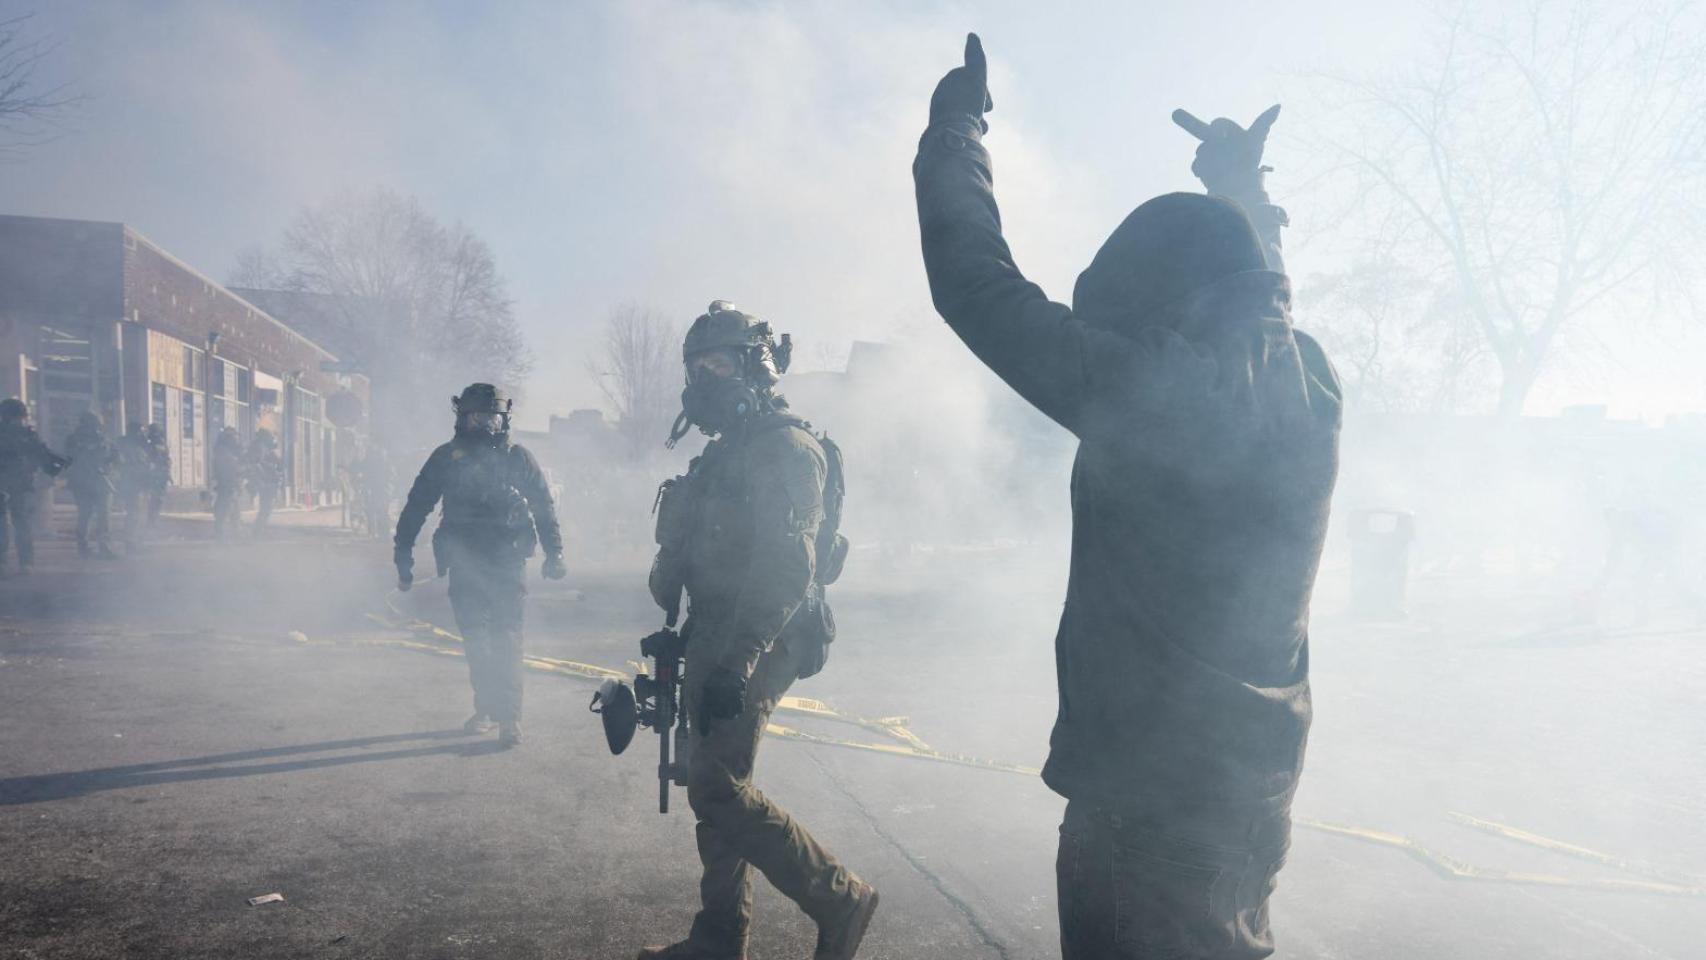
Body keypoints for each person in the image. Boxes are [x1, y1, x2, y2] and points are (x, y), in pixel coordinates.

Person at [914, 36, 1342, 960]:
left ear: (1159, 310)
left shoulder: (1162, 394)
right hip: (1252, 791)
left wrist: (956, 132)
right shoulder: (1305, 383)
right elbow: (1260, 291)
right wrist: (1241, 190)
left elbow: (976, 286)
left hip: (1148, 804)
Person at [637, 302, 875, 960]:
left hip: (770, 632)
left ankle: (840, 897)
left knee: (717, 785)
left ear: (756, 368)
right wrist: (681, 626)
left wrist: (737, 663)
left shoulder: (788, 450)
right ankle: (719, 938)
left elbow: (785, 569)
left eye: (717, 364)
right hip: (717, 628)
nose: (703, 380)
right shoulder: (722, 456)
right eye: (696, 368)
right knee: (709, 778)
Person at [393, 383, 566, 747]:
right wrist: (403, 550)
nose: (485, 425)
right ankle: (487, 708)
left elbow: (542, 506)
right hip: (464, 560)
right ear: (463, 418)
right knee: (475, 638)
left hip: (507, 558)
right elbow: (417, 504)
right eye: (477, 417)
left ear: (504, 419)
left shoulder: (518, 458)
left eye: (492, 417)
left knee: (506, 636)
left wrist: (555, 552)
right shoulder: (446, 458)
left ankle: (509, 717)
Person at [0, 398, 67, 575]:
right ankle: (23, 562)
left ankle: (11, 562)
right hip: (17, 484)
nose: (22, 420)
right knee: (19, 523)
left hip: (17, 483)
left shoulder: (25, 435)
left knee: (12, 524)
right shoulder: (26, 435)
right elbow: (42, 455)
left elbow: (42, 454)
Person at [64, 410, 119, 559]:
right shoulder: (74, 440)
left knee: (102, 516)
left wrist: (110, 467)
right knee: (86, 516)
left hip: (100, 482)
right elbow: (70, 458)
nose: (93, 428)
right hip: (83, 483)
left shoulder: (103, 439)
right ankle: (85, 547)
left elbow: (114, 456)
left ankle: (102, 547)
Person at [353, 442, 393, 540]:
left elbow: (360, 469)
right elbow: (390, 473)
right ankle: (382, 531)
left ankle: (375, 531)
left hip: (374, 488)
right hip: (381, 488)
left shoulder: (370, 459)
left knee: (372, 509)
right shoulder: (383, 459)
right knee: (381, 510)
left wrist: (359, 478)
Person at [210, 426, 243, 541]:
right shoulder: (224, 453)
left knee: (234, 513)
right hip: (227, 487)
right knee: (223, 513)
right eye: (233, 438)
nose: (235, 440)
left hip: (229, 487)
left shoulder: (225, 452)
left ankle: (235, 537)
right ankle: (221, 538)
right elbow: (229, 471)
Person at [248, 428, 283, 537]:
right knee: (266, 507)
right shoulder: (259, 447)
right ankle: (258, 531)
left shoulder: (262, 447)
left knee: (266, 507)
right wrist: (269, 471)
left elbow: (275, 461)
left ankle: (259, 529)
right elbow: (257, 463)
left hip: (265, 481)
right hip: (264, 482)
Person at [142, 422, 171, 529]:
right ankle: (151, 523)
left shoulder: (155, 443)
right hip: (157, 476)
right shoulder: (158, 443)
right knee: (156, 500)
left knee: (155, 500)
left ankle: (151, 523)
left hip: (158, 476)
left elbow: (163, 460)